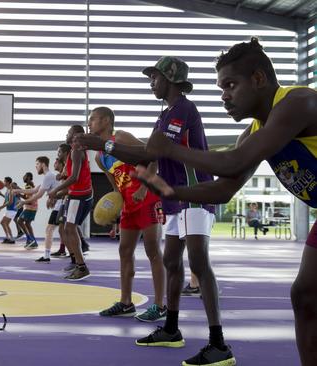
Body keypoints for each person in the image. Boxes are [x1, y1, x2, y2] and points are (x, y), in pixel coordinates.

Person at [136, 37, 317, 365]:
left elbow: (233, 162)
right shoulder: (253, 133)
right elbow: (223, 190)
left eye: (231, 85)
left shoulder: (298, 102)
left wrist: (170, 149)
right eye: (221, 88)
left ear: (259, 79)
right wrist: (172, 191)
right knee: (304, 296)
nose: (224, 96)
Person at [75, 56, 232, 365]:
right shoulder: (165, 115)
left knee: (199, 264)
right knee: (172, 262)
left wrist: (102, 144)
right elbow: (148, 158)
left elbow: (149, 152)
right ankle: (171, 329)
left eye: (155, 77)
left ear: (171, 80)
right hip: (175, 200)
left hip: (195, 195)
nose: (151, 82)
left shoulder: (183, 110)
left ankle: (219, 344)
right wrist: (142, 174)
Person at [89, 106, 167, 322]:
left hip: (147, 198)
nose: (89, 123)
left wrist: (143, 187)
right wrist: (113, 208)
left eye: (93, 119)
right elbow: (116, 187)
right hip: (128, 206)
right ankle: (125, 303)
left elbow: (152, 157)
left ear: (106, 121)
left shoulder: (121, 137)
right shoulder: (98, 157)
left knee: (153, 250)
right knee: (124, 251)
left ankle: (160, 305)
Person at [48, 125, 92, 281]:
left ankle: (81, 266)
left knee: (69, 229)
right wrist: (62, 175)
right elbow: (70, 174)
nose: (66, 134)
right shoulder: (76, 150)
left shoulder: (77, 151)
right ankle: (77, 261)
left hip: (79, 196)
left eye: (68, 132)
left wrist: (55, 191)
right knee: (66, 229)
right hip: (77, 196)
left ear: (75, 135)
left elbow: (75, 178)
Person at [17, 157, 59, 261]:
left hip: (61, 205)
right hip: (60, 204)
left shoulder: (48, 176)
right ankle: (74, 255)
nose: (36, 167)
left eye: (37, 164)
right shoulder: (49, 176)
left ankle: (47, 256)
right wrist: (17, 190)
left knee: (50, 229)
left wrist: (24, 201)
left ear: (43, 164)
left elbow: (38, 195)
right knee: (64, 230)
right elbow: (35, 190)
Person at [17, 172, 38, 249]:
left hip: (30, 207)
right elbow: (27, 197)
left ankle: (30, 239)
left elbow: (29, 200)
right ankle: (33, 241)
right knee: (27, 224)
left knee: (19, 221)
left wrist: (18, 190)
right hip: (32, 207)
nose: (23, 177)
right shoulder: (29, 185)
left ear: (28, 177)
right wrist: (20, 194)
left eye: (25, 176)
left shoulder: (29, 186)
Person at [0, 177, 18, 244]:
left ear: (8, 182)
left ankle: (9, 238)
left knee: (3, 222)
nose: (4, 183)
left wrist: (1, 207)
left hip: (12, 210)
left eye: (5, 181)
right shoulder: (7, 190)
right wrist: (0, 194)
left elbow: (10, 202)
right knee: (5, 223)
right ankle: (10, 238)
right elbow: (6, 199)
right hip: (10, 210)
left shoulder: (11, 190)